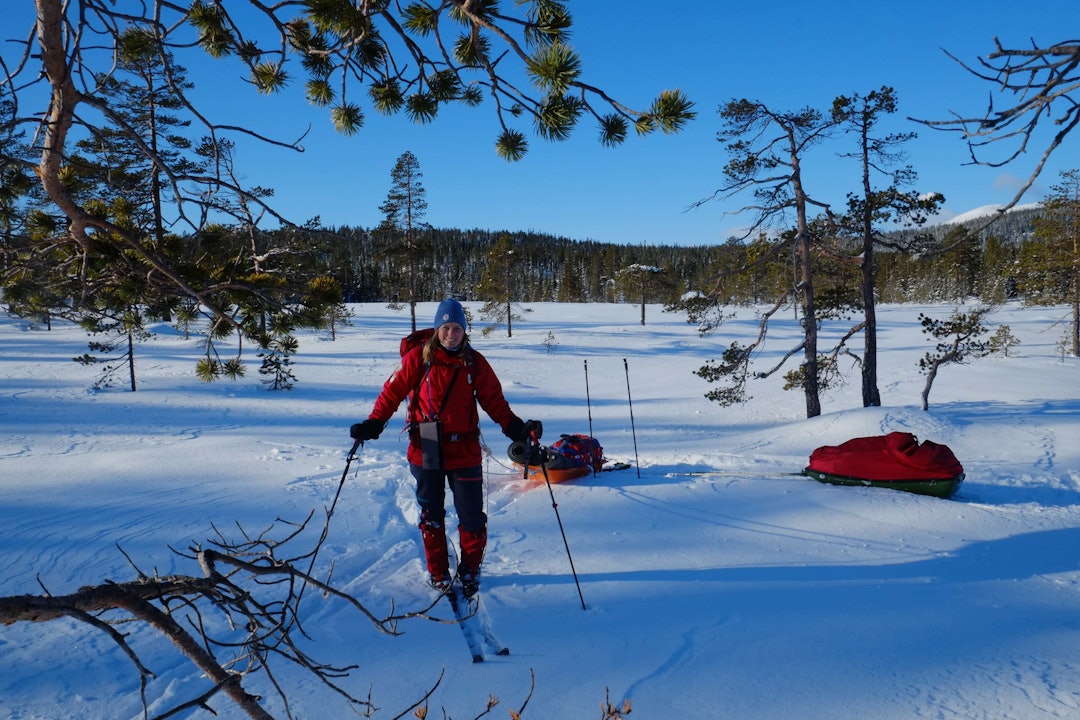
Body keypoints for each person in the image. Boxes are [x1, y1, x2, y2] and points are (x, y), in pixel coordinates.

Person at [350, 299, 541, 597]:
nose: (451, 334)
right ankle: (438, 571)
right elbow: (392, 393)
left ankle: (470, 569)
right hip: (426, 442)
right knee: (432, 513)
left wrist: (517, 429)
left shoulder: (474, 362)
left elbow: (494, 401)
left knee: (472, 516)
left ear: (465, 331)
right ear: (438, 329)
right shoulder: (417, 359)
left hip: (464, 447)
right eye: (446, 328)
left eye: (457, 328)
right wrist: (374, 423)